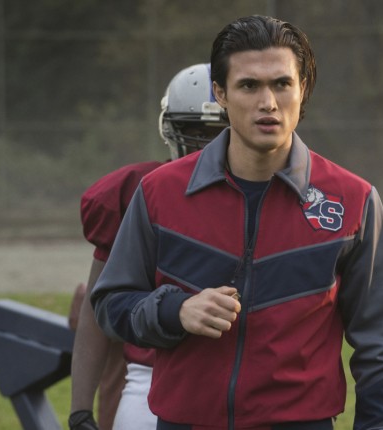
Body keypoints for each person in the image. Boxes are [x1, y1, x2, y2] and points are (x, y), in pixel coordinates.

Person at [91, 15, 383, 430]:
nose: (268, 103)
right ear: (221, 93)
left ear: (303, 88)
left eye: (282, 84)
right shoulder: (160, 193)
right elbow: (111, 304)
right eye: (249, 86)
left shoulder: (354, 201)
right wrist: (175, 310)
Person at [68, 63, 228, 430]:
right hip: (153, 377)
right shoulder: (140, 192)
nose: (206, 147)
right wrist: (80, 410)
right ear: (170, 130)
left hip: (249, 381)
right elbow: (98, 303)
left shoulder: (276, 194)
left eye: (219, 133)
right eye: (195, 133)